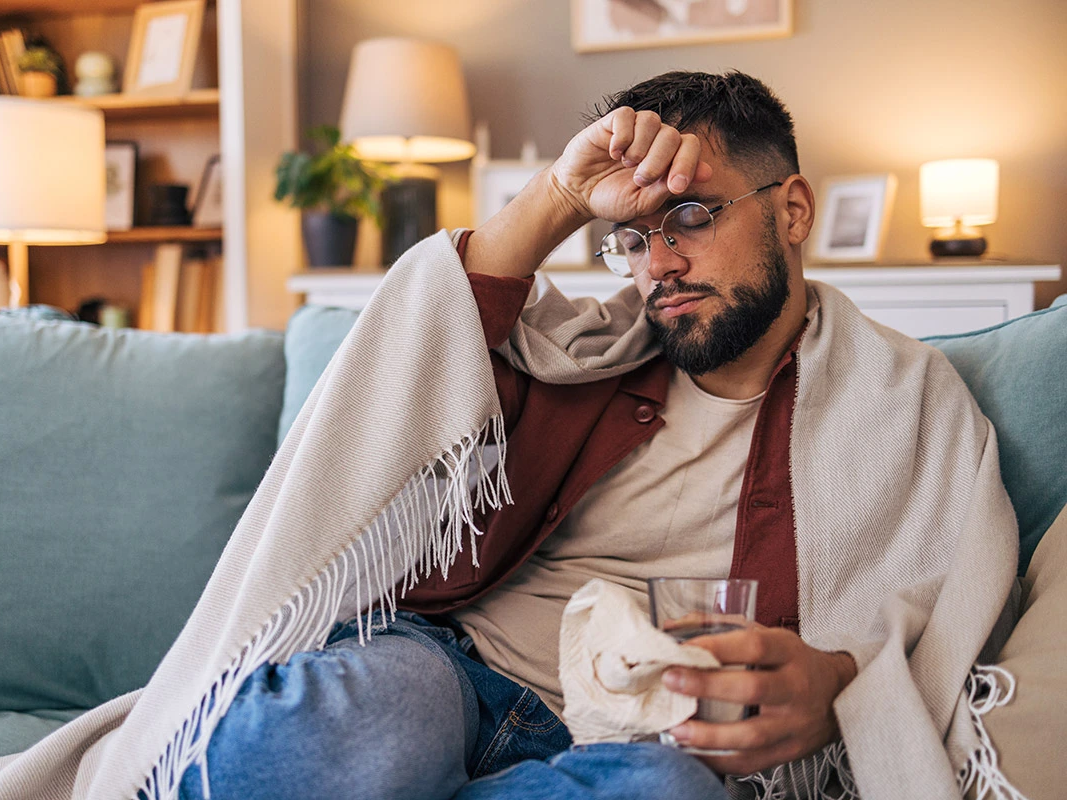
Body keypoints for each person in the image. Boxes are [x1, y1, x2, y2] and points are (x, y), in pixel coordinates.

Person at [173, 70, 1013, 800]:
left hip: (633, 742)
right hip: (445, 672)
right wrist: (562, 196)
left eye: (691, 216)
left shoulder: (902, 398)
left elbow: (948, 619)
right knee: (322, 740)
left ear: (793, 211)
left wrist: (839, 687)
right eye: (633, 236)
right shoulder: (571, 355)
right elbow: (414, 354)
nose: (659, 264)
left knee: (669, 792)